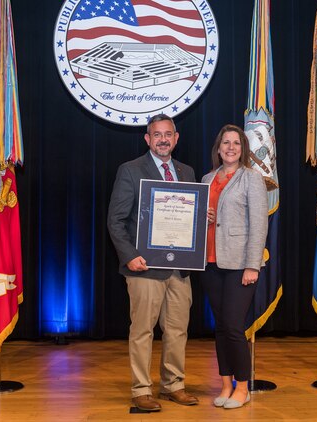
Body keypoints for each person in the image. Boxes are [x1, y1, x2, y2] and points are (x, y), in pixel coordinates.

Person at [107, 114, 199, 412]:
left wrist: (203, 219)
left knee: (177, 331)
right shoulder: (131, 170)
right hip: (144, 267)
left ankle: (174, 385)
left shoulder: (187, 172)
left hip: (179, 268)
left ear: (176, 137)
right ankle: (141, 389)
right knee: (143, 331)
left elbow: (189, 220)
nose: (162, 139)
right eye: (156, 134)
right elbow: (116, 221)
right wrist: (129, 255)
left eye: (167, 134)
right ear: (147, 139)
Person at [201, 124, 268, 409]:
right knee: (220, 328)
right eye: (225, 143)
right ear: (218, 148)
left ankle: (243, 386)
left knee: (233, 327)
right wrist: (201, 216)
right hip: (210, 262)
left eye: (236, 143)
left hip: (240, 264)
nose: (230, 148)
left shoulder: (252, 179)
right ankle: (226, 384)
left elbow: (259, 225)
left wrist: (253, 265)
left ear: (243, 149)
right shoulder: (206, 178)